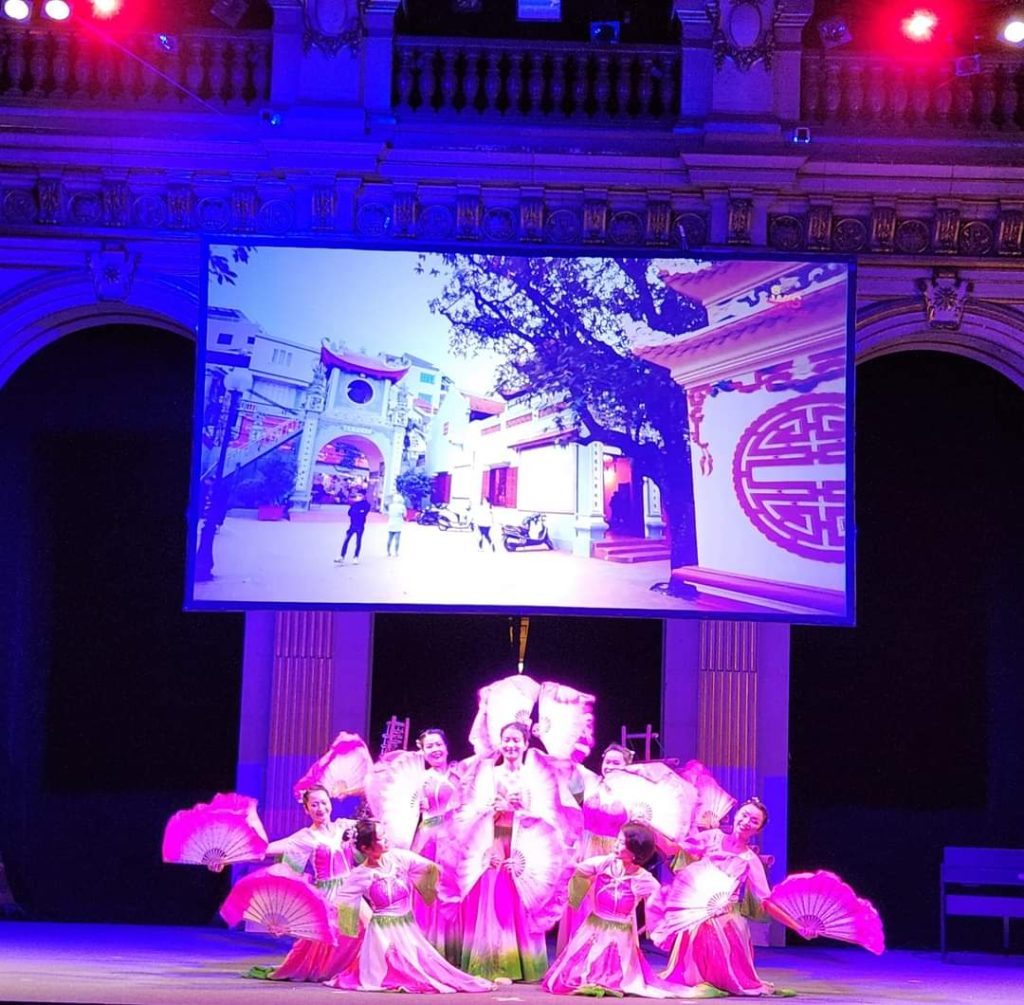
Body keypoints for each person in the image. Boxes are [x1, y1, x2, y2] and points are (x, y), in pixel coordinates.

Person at [454, 721, 575, 982]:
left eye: (516, 740)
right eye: (506, 740)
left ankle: (526, 963)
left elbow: (550, 818)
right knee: (495, 900)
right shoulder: (488, 775)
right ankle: (495, 964)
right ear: (500, 743)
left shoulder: (534, 778)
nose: (510, 745)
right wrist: (492, 809)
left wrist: (523, 808)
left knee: (523, 900)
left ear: (525, 744)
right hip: (494, 841)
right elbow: (471, 812)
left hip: (526, 845)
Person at [648, 797, 803, 997]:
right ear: (736, 815)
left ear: (758, 830)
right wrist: (648, 825)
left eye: (754, 821)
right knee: (689, 972)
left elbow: (765, 902)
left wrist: (797, 927)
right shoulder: (712, 837)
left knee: (721, 969)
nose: (746, 822)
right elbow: (671, 848)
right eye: (744, 815)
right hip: (696, 913)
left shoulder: (750, 859)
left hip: (726, 920)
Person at [543, 824, 720, 999]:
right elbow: (577, 870)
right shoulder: (604, 863)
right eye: (618, 840)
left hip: (621, 936)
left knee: (616, 976)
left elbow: (662, 904)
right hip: (592, 928)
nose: (615, 845)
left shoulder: (643, 879)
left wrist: (678, 917)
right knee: (565, 978)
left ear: (634, 852)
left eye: (621, 843)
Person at [325, 819, 496, 994]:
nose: (387, 839)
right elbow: (341, 902)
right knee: (397, 970)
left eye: (385, 835)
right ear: (366, 848)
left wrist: (477, 867)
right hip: (380, 935)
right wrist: (353, 923)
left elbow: (434, 869)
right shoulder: (360, 875)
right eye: (381, 838)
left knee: (426, 970)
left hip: (406, 928)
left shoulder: (399, 857)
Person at [246, 785, 361, 982]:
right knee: (332, 939)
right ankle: (335, 970)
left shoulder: (345, 826)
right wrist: (227, 860)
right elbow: (267, 850)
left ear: (330, 803)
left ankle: (356, 970)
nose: (320, 808)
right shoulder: (306, 837)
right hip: (329, 894)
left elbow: (378, 830)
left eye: (323, 803)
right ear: (306, 809)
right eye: (314, 805)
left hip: (351, 889)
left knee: (364, 929)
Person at [555, 742, 635, 950]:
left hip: (615, 854)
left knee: (608, 903)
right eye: (608, 762)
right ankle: (577, 955)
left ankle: (607, 956)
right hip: (586, 851)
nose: (610, 766)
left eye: (616, 763)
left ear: (626, 766)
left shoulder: (633, 795)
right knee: (582, 904)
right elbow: (567, 765)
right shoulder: (590, 782)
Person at [335, 491, 370, 565]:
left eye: (360, 495)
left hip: (360, 525)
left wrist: (357, 512)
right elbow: (350, 513)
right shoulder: (354, 504)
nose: (358, 497)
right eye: (358, 495)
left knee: (358, 541)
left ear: (364, 496)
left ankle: (356, 557)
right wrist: (358, 511)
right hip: (352, 525)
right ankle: (342, 556)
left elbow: (363, 513)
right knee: (346, 540)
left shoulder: (366, 504)